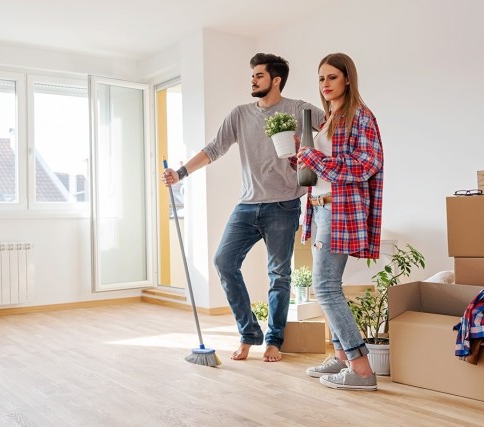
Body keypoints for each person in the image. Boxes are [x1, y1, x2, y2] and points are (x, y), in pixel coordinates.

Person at [161, 53, 324, 362]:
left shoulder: (298, 109)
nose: (252, 79)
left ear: (276, 80)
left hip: (284, 204)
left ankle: (274, 340)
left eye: (259, 75)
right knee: (224, 261)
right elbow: (214, 149)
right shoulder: (240, 114)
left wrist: (308, 152)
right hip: (248, 205)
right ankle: (249, 332)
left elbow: (329, 128)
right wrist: (180, 174)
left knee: (279, 275)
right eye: (252, 75)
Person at [296, 53, 384, 390]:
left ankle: (361, 369)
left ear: (348, 78)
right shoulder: (329, 119)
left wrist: (315, 158)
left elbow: (367, 164)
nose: (325, 84)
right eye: (321, 78)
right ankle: (342, 358)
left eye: (332, 77)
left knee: (325, 286)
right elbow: (322, 168)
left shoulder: (360, 116)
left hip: (340, 210)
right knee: (328, 286)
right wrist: (302, 156)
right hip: (319, 209)